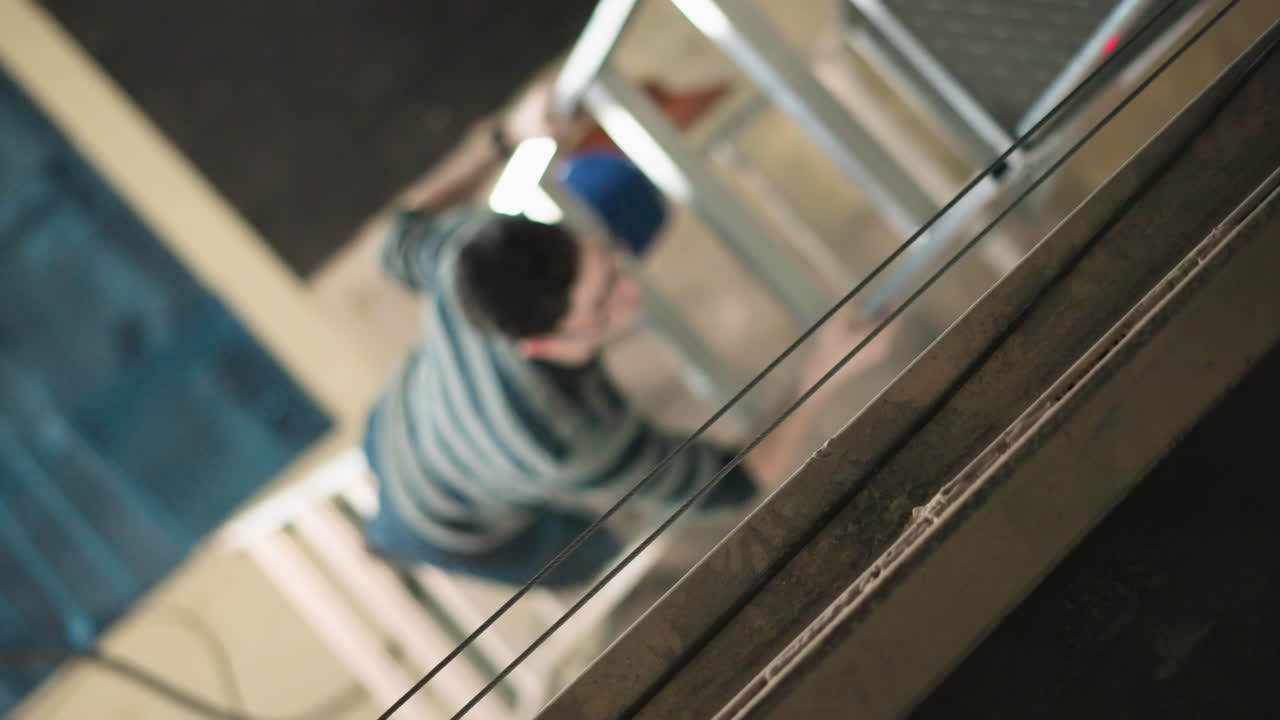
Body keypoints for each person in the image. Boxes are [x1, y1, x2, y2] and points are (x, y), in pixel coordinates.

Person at [362, 76, 891, 588]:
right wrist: (828, 368)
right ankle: (385, 547)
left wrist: (509, 137)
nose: (632, 290)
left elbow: (395, 239)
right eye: (604, 301)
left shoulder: (467, 251)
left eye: (611, 266)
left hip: (385, 432)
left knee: (618, 206)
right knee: (596, 545)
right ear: (541, 343)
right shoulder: (572, 443)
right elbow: (732, 484)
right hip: (458, 535)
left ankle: (382, 521)